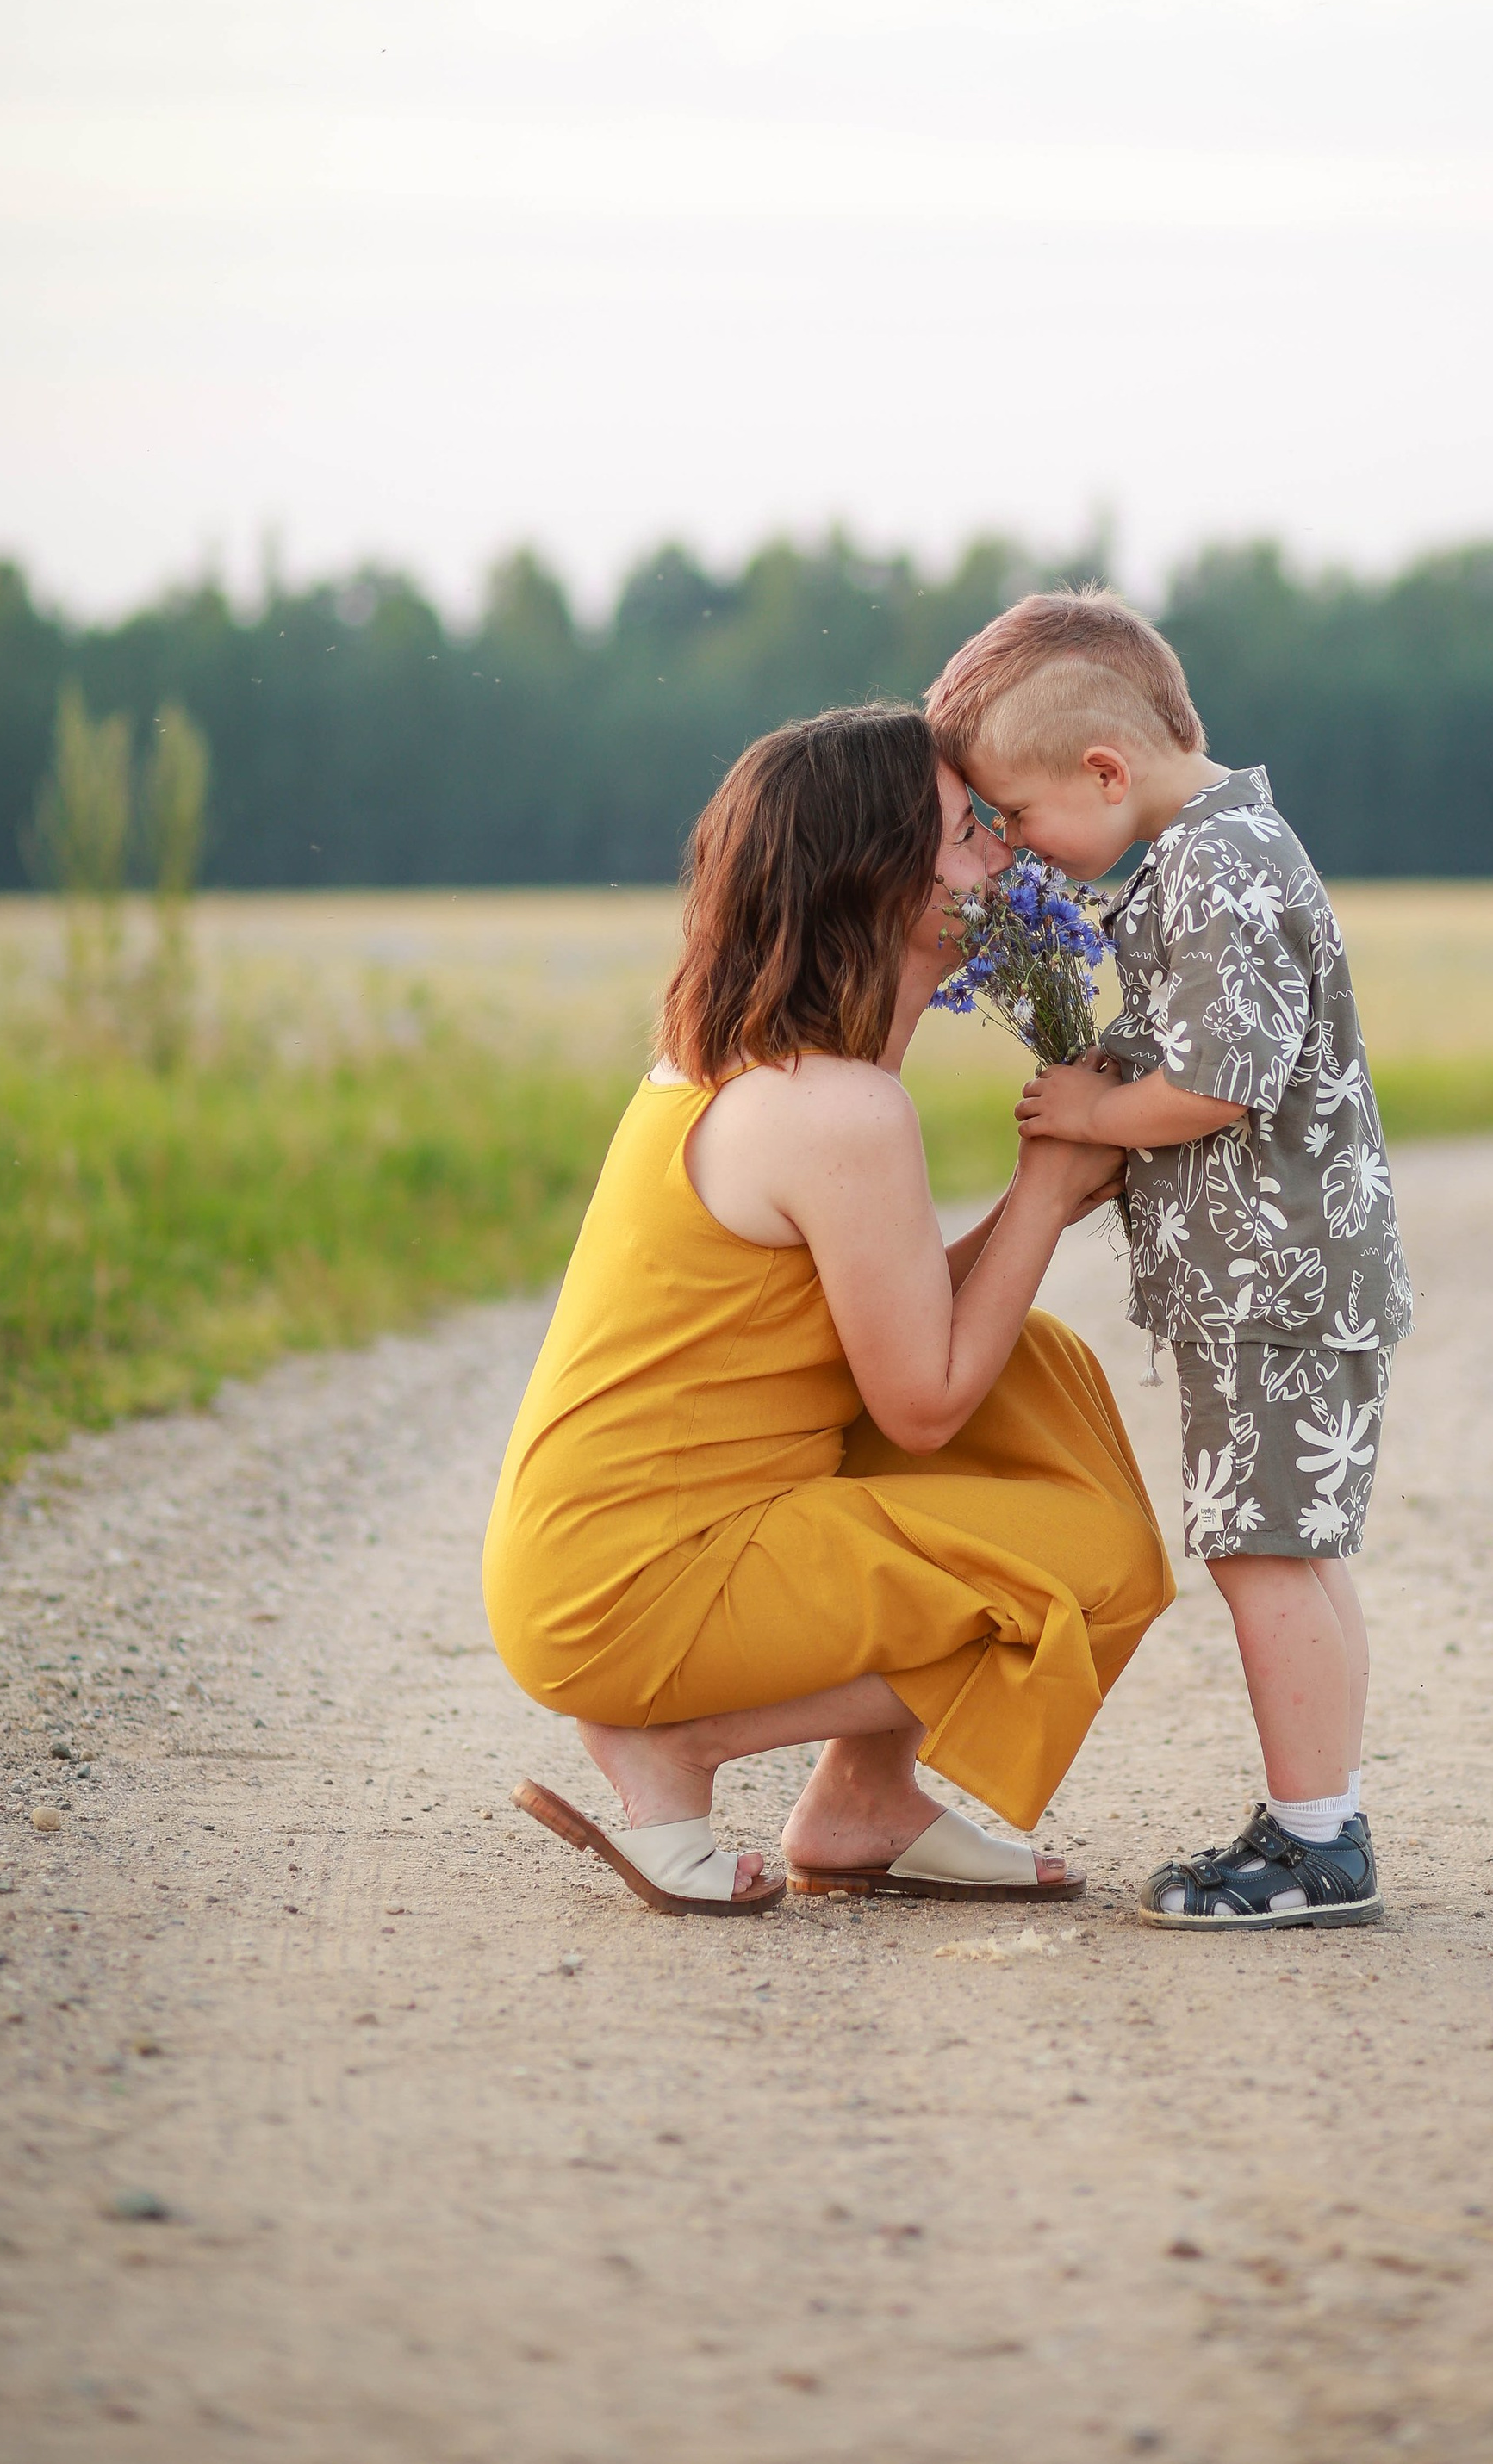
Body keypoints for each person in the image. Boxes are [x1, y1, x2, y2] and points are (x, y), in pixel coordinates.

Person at [482, 703, 1173, 1918]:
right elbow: (918, 1402)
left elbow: (879, 1335)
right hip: (637, 1583)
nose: (1008, 859)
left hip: (616, 1546)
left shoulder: (750, 1067)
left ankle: (866, 1803)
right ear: (878, 875)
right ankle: (676, 1749)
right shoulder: (834, 1106)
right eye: (971, 832)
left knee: (1038, 1370)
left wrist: (1046, 1202)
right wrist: (1049, 1182)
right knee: (1098, 1570)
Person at [926, 593, 1411, 1932]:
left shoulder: (1218, 866)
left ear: (1105, 770)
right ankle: (1323, 1815)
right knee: (1291, 1547)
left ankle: (1318, 1848)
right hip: (1280, 1279)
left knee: (1263, 1549)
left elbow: (1222, 1082)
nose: (1016, 850)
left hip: (1278, 1284)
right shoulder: (1214, 850)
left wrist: (1089, 1112)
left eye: (1017, 819)